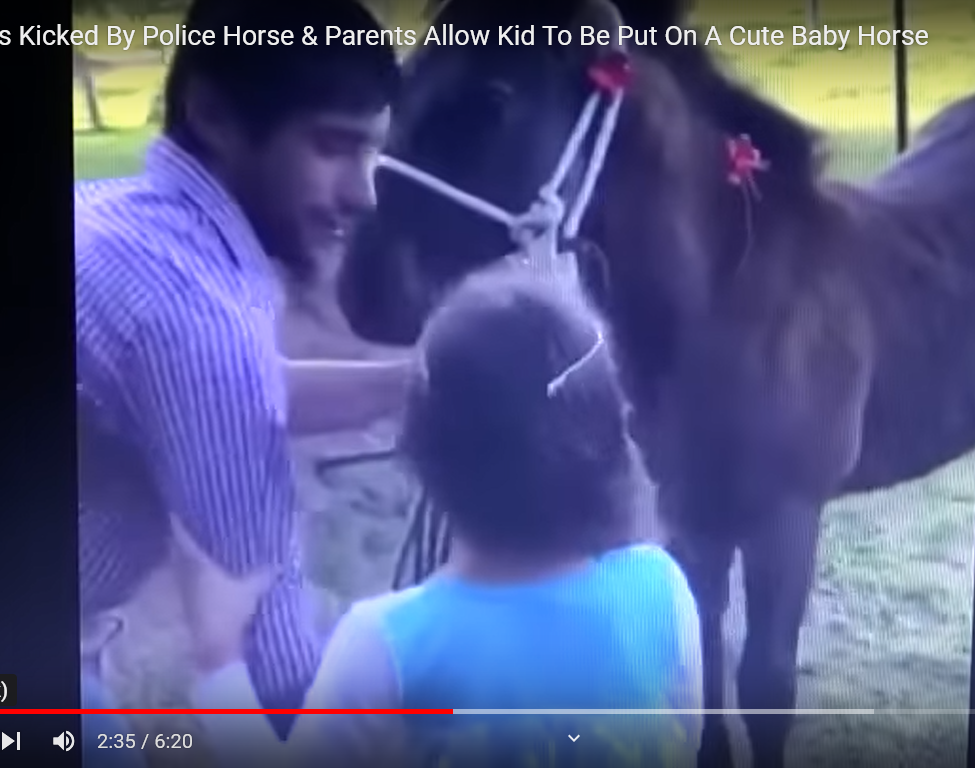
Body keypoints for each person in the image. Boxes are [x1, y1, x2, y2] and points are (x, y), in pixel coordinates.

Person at [189, 266, 704, 767]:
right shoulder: (658, 590)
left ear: (426, 453)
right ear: (606, 433)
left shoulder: (389, 643)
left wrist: (220, 659)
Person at [74, 0, 412, 761]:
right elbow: (268, 637)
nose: (365, 193)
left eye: (372, 153)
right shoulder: (192, 310)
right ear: (216, 117)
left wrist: (413, 381)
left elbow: (233, 395)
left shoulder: (120, 222)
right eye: (333, 146)